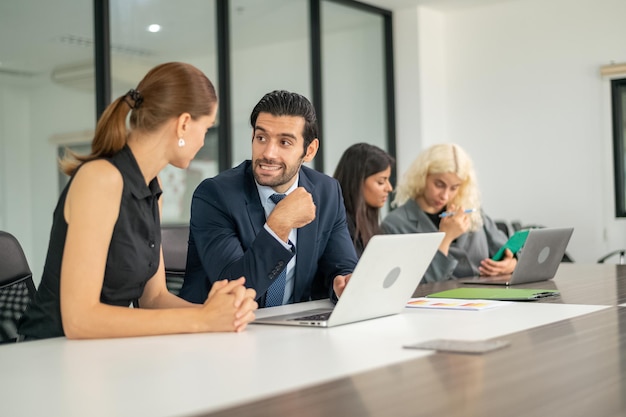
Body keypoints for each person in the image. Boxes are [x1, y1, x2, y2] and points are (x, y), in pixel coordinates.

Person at [17, 62, 257, 340]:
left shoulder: (152, 190)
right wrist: (201, 319)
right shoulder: (100, 180)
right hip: (48, 354)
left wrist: (217, 314)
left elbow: (153, 298)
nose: (204, 141)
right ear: (183, 124)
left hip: (102, 354)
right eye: (206, 128)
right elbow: (79, 320)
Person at [180, 90, 358, 307]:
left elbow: (342, 267)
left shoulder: (327, 192)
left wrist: (342, 284)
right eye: (261, 138)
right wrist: (278, 227)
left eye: (284, 142)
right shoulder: (215, 195)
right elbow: (234, 290)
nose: (268, 153)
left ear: (309, 151)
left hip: (293, 327)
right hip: (222, 330)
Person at [381, 143, 516, 283]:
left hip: (488, 299)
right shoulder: (395, 224)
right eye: (439, 185)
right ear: (422, 177)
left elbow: (509, 250)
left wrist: (512, 264)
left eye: (454, 187)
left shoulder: (472, 212)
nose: (445, 196)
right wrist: (445, 238)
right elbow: (415, 284)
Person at [333, 143, 394, 257]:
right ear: (357, 182)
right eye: (381, 181)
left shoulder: (370, 223)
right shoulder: (339, 226)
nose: (389, 188)